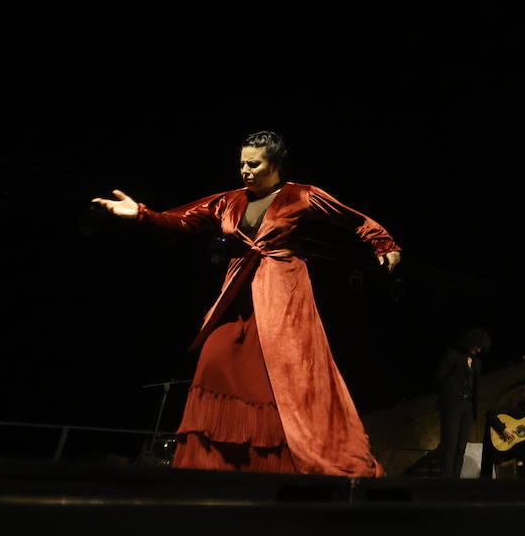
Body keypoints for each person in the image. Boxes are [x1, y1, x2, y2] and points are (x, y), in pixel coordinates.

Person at [92, 130, 400, 477]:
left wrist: (382, 243)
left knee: (280, 376)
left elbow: (353, 219)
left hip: (284, 294)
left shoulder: (302, 195)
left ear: (275, 164)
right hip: (239, 292)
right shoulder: (229, 200)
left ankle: (280, 462)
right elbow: (183, 220)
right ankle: (217, 463)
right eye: (242, 163)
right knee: (215, 356)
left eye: (254, 163)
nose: (245, 170)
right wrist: (141, 214)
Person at [433, 328, 490, 477]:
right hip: (452, 405)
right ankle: (445, 482)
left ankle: (455, 481)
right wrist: (449, 395)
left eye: (481, 348)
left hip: (468, 407)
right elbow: (439, 378)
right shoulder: (453, 355)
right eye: (476, 345)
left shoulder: (477, 363)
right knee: (449, 445)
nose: (478, 350)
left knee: (461, 447)